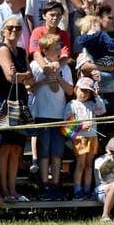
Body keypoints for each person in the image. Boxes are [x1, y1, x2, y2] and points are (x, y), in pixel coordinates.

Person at [0, 15, 35, 201]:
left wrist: (22, 75)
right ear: (3, 30)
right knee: (5, 147)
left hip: (20, 101)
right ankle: (4, 189)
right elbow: (11, 77)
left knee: (17, 148)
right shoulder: (2, 49)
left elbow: (29, 79)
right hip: (4, 101)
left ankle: (13, 189)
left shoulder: (21, 51)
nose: (14, 31)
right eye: (10, 28)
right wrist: (23, 76)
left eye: (18, 28)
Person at [29, 32, 75, 201]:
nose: (58, 49)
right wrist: (44, 80)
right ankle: (44, 185)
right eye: (55, 47)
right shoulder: (35, 65)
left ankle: (55, 185)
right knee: (43, 152)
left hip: (59, 115)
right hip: (41, 114)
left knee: (56, 152)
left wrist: (58, 78)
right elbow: (30, 87)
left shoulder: (64, 67)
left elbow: (71, 91)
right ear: (45, 50)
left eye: (59, 46)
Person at [66, 77, 104, 199]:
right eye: (82, 90)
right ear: (76, 89)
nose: (84, 94)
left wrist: (97, 96)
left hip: (92, 137)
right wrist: (81, 126)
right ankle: (77, 190)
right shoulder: (72, 104)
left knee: (89, 164)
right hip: (80, 138)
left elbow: (102, 110)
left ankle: (87, 190)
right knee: (81, 164)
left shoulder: (92, 104)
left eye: (87, 91)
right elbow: (66, 122)